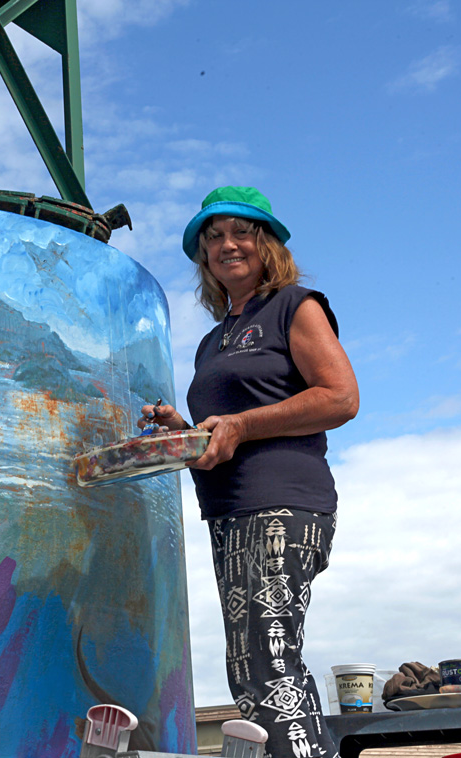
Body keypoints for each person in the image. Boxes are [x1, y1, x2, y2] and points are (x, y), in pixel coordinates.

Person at [139, 186, 358, 758]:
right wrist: (182, 430)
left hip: (281, 503)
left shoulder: (295, 304)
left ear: (267, 244)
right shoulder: (214, 341)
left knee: (269, 665)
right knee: (253, 668)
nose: (226, 245)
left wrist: (239, 424)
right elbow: (225, 428)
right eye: (213, 237)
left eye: (241, 232)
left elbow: (340, 398)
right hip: (230, 513)